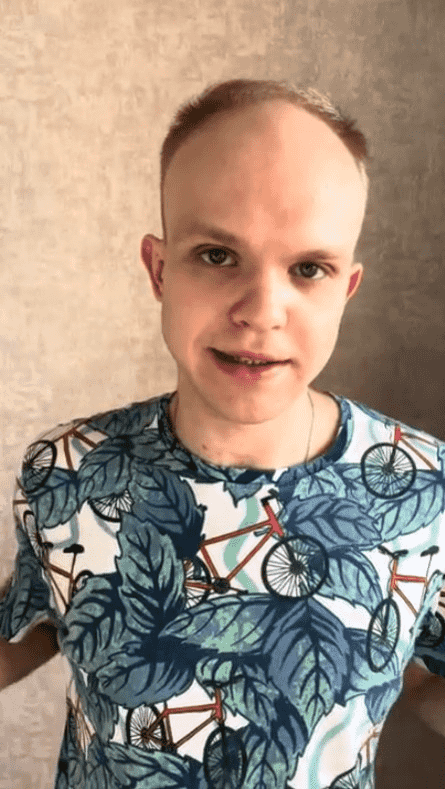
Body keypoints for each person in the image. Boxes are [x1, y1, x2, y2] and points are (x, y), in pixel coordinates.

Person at [1, 77, 445, 789]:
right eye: (217, 255)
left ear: (345, 289)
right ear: (159, 269)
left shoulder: (422, 489)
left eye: (308, 268)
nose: (262, 310)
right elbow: (41, 616)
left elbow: (415, 666)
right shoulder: (70, 470)